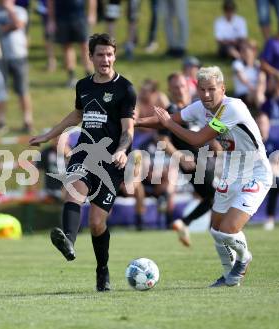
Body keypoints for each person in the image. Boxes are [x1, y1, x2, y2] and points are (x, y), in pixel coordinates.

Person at [136, 66, 273, 287]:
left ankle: (244, 257)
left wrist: (168, 123)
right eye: (202, 90)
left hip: (255, 172)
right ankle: (230, 277)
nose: (207, 94)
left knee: (228, 230)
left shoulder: (233, 108)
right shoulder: (201, 107)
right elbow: (169, 118)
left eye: (212, 89)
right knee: (216, 231)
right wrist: (135, 122)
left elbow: (197, 139)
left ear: (223, 88)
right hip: (230, 173)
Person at [29, 33, 136, 291]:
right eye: (100, 54)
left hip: (111, 160)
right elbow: (77, 115)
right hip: (84, 152)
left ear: (114, 56)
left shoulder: (126, 89)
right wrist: (48, 135)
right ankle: (68, 242)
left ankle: (102, 270)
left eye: (109, 54)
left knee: (97, 223)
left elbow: (128, 130)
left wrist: (122, 150)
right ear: (90, 57)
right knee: (73, 190)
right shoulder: (83, 86)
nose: (105, 59)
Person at [158, 72, 218, 247]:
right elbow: (163, 140)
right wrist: (179, 156)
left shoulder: (195, 108)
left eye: (182, 86)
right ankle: (193, 224)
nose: (179, 90)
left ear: (188, 87)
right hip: (193, 162)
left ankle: (188, 223)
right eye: (175, 87)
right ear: (169, 89)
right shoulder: (170, 112)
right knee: (216, 196)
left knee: (212, 197)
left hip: (208, 159)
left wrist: (216, 146)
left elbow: (205, 132)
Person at [0, 0, 34, 134]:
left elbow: (18, 24)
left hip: (18, 55)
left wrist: (9, 10)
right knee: (0, 91)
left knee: (23, 90)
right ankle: (1, 122)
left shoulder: (20, 11)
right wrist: (9, 26)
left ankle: (27, 121)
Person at [47, 0, 96, 88]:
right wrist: (51, 20)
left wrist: (92, 14)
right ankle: (71, 77)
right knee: (66, 47)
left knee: (85, 46)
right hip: (61, 18)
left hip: (80, 17)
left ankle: (90, 76)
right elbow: (50, 2)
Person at [232, 40, 266, 111]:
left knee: (262, 76)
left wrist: (259, 90)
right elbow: (243, 80)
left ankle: (263, 113)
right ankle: (263, 113)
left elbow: (262, 80)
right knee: (259, 95)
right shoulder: (237, 64)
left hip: (257, 91)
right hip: (243, 94)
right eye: (243, 51)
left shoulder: (257, 64)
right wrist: (255, 90)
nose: (245, 53)